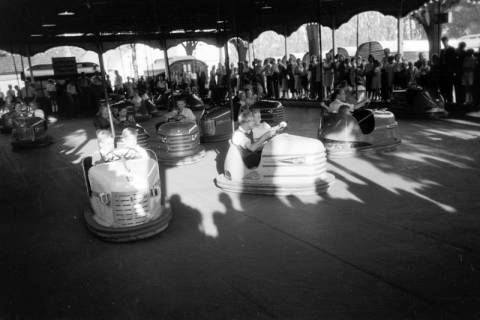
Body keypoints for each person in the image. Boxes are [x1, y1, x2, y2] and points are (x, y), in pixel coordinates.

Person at [439, 36, 457, 104]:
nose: (443, 43)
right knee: (444, 88)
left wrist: (454, 71)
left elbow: (454, 61)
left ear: (447, 41)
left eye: (444, 41)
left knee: (449, 88)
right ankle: (446, 103)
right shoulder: (442, 50)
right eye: (442, 42)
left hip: (449, 72)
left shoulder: (452, 49)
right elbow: (441, 61)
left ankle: (450, 103)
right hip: (443, 72)